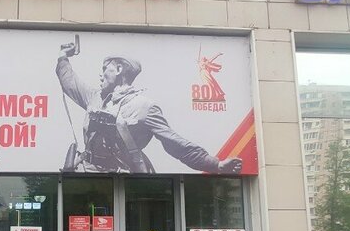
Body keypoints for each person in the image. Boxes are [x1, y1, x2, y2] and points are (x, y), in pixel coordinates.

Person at [56, 47, 243, 174]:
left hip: (122, 182)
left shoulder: (144, 107)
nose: (101, 74)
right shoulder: (95, 97)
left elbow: (175, 144)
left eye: (105, 68)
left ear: (119, 69)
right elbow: (70, 82)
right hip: (86, 174)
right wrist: (63, 57)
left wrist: (215, 164)